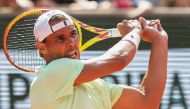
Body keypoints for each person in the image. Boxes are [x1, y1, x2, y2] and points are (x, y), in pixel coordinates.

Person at [30, 10, 168, 109]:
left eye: (73, 34)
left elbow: (147, 103)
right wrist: (135, 31)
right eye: (60, 38)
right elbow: (119, 59)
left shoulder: (96, 86)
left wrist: (160, 40)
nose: (71, 42)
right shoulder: (50, 74)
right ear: (42, 48)